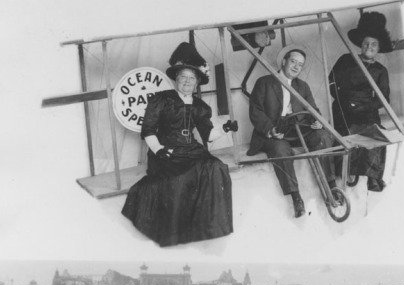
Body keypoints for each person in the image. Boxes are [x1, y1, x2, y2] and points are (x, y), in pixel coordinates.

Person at [122, 42, 236, 247]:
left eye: (191, 79)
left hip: (191, 150)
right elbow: (148, 130)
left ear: (197, 83)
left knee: (216, 168)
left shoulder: (200, 107)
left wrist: (225, 129)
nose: (186, 82)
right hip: (166, 150)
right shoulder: (161, 99)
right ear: (176, 79)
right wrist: (159, 150)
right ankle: (174, 234)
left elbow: (208, 135)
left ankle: (209, 228)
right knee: (179, 178)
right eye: (183, 77)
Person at [247, 44, 337, 218]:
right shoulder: (265, 82)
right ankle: (296, 197)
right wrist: (270, 130)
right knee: (281, 149)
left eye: (300, 64)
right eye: (293, 62)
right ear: (283, 61)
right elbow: (255, 111)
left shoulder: (302, 86)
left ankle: (331, 184)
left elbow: (313, 110)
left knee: (323, 137)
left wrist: (316, 121)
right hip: (273, 134)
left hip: (297, 131)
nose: (296, 67)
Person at [329, 12, 392, 192]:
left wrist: (364, 107)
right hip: (344, 110)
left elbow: (383, 99)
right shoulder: (346, 60)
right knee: (350, 135)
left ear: (378, 48)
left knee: (377, 134)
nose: (369, 47)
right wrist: (344, 102)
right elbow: (332, 83)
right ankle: (349, 171)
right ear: (360, 44)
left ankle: (373, 178)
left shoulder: (381, 71)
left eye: (373, 44)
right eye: (366, 43)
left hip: (368, 111)